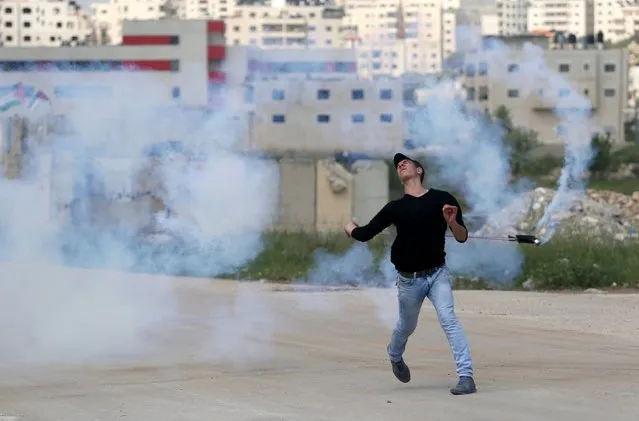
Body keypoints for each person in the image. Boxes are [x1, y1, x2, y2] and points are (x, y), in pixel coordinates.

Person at [343, 152, 477, 396]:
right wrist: (350, 228)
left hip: (437, 274)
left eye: (406, 162)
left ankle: (466, 377)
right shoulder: (395, 208)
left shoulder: (443, 199)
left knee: (449, 319)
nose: (400, 164)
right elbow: (365, 234)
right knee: (406, 326)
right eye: (398, 165)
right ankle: (395, 356)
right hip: (408, 280)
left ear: (419, 171)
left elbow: (462, 237)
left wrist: (452, 221)